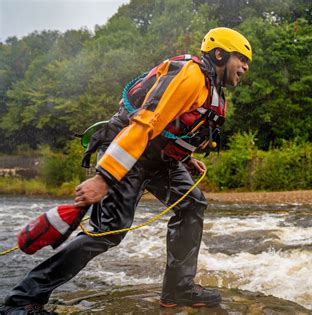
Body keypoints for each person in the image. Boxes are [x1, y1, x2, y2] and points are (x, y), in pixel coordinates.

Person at [0, 27, 251, 314]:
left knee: (192, 205)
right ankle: (23, 298)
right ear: (219, 54)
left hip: (159, 161)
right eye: (241, 59)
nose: (244, 67)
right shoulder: (191, 76)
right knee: (109, 230)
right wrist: (104, 178)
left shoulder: (212, 90)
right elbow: (144, 124)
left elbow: (171, 130)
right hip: (126, 151)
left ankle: (178, 289)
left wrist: (185, 158)